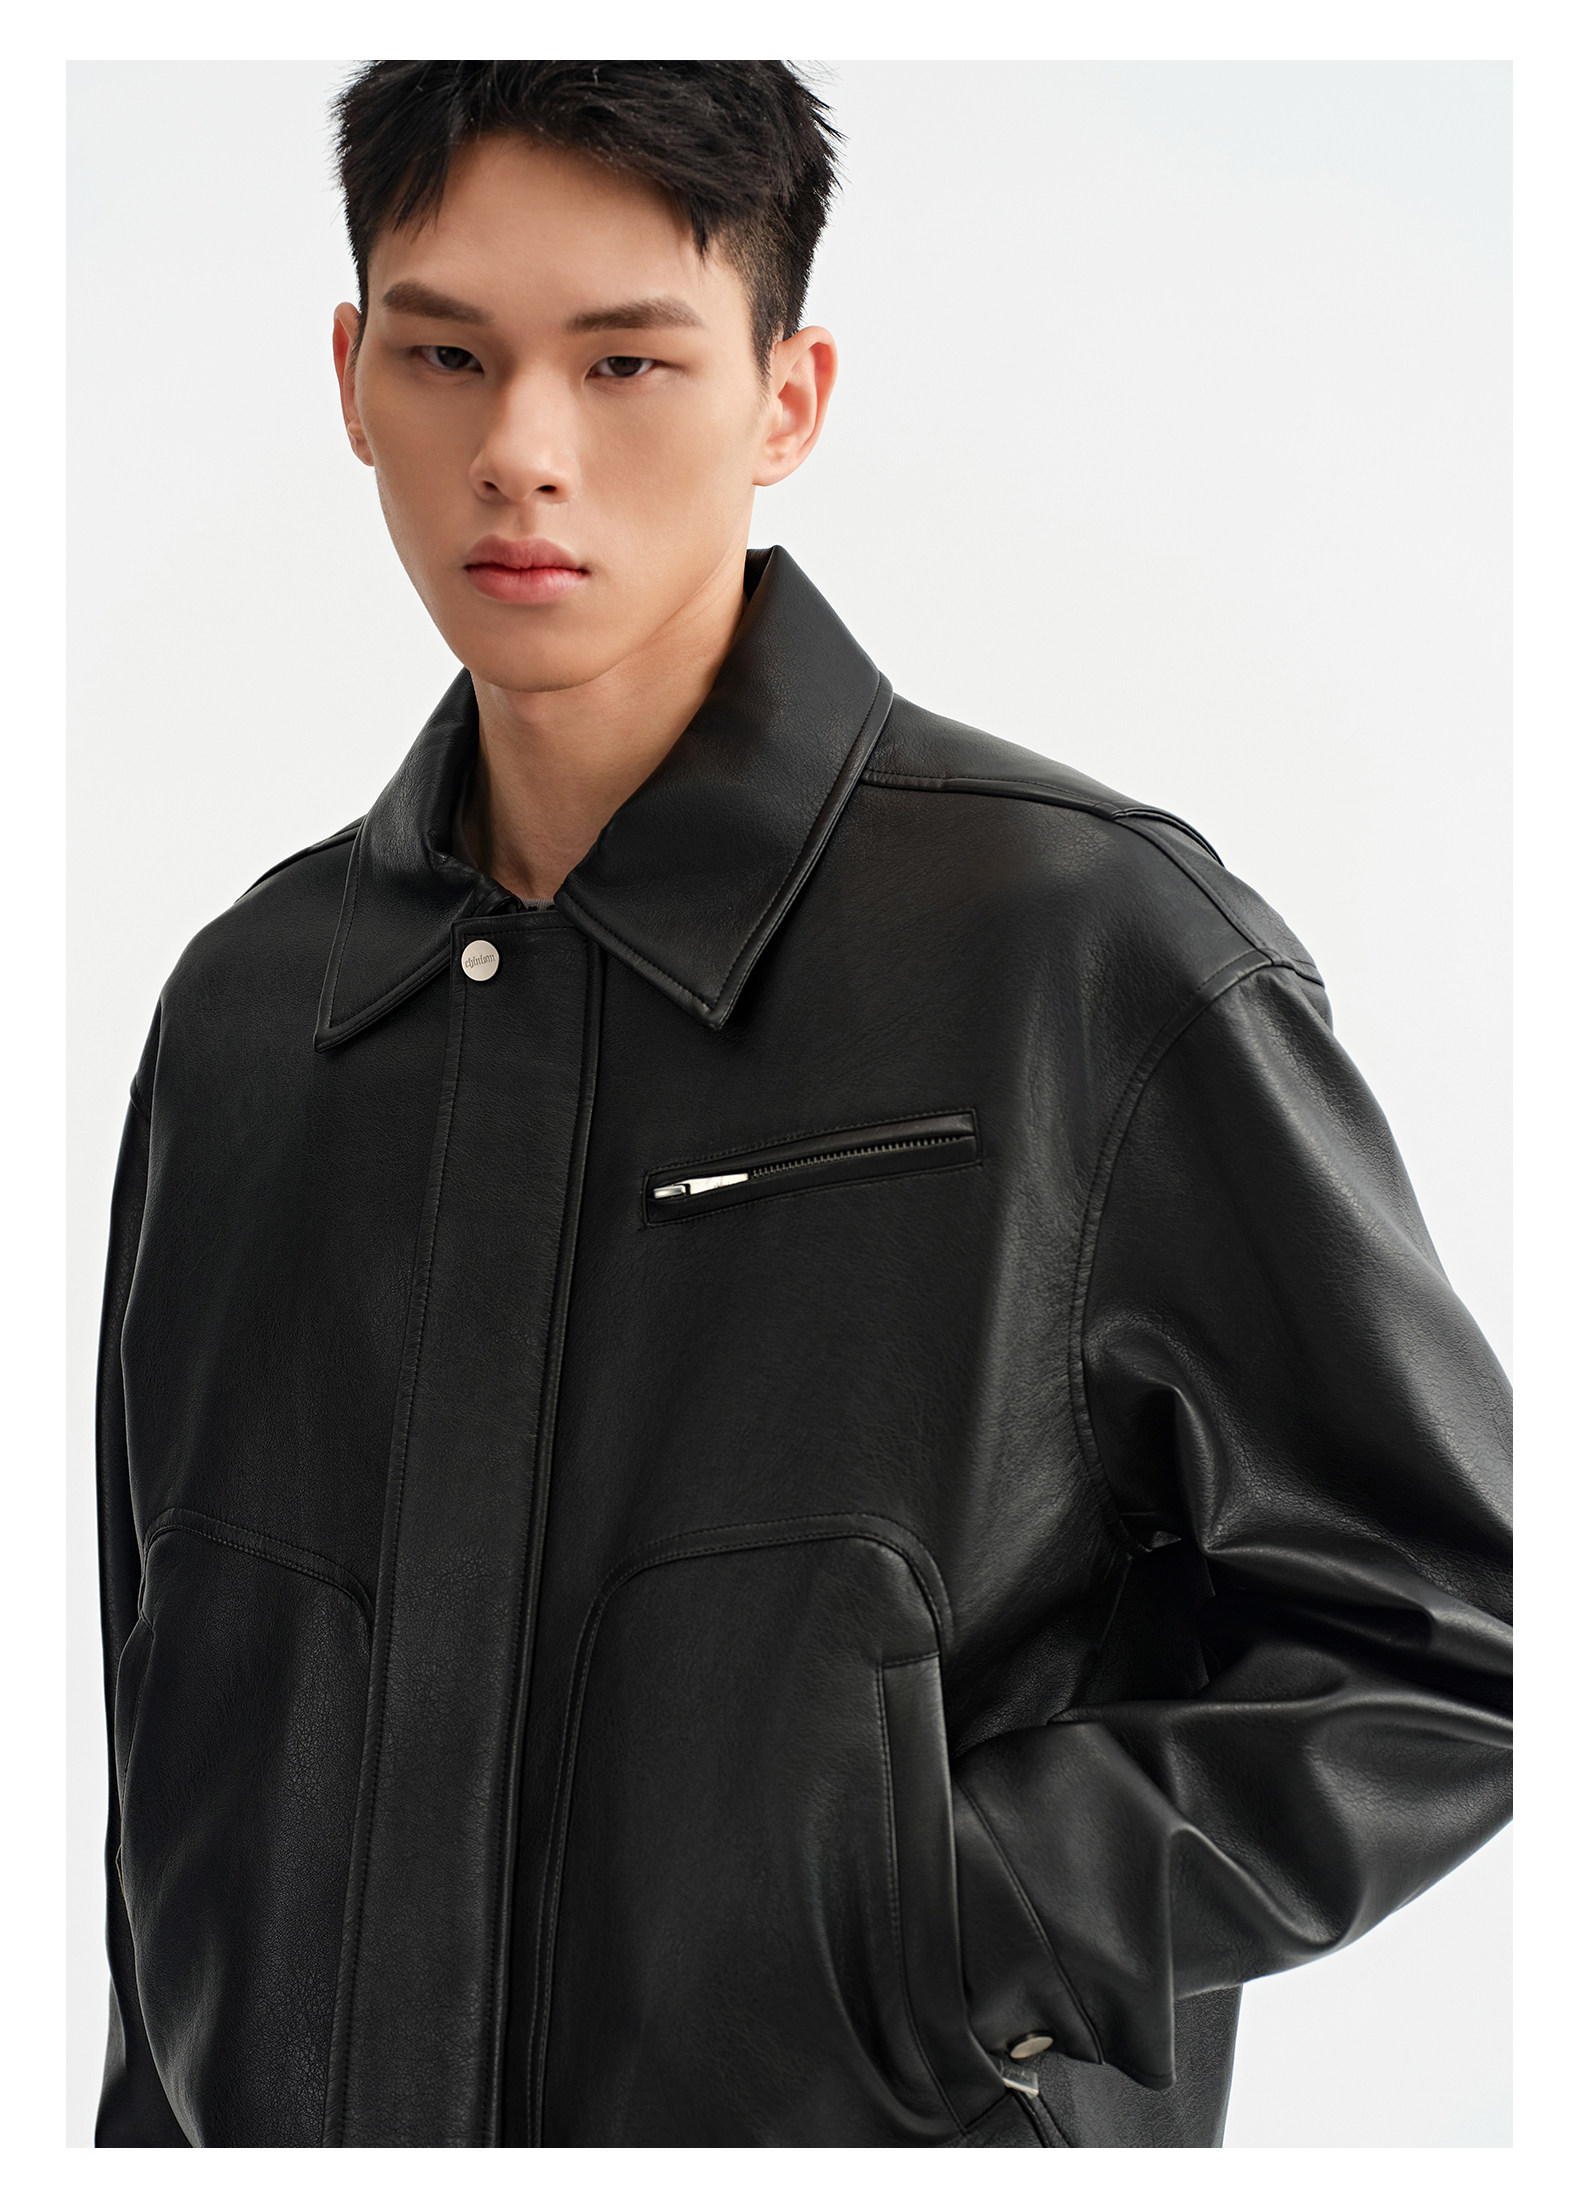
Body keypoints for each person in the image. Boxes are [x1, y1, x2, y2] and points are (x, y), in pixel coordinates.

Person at [94, 60, 1512, 2150]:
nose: (522, 450)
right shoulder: (250, 1012)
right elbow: (169, 1721)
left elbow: (1459, 1643)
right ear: (351, 378)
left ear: (787, 397)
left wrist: (933, 1942)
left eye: (627, 361)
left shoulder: (1077, 950)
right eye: (448, 354)